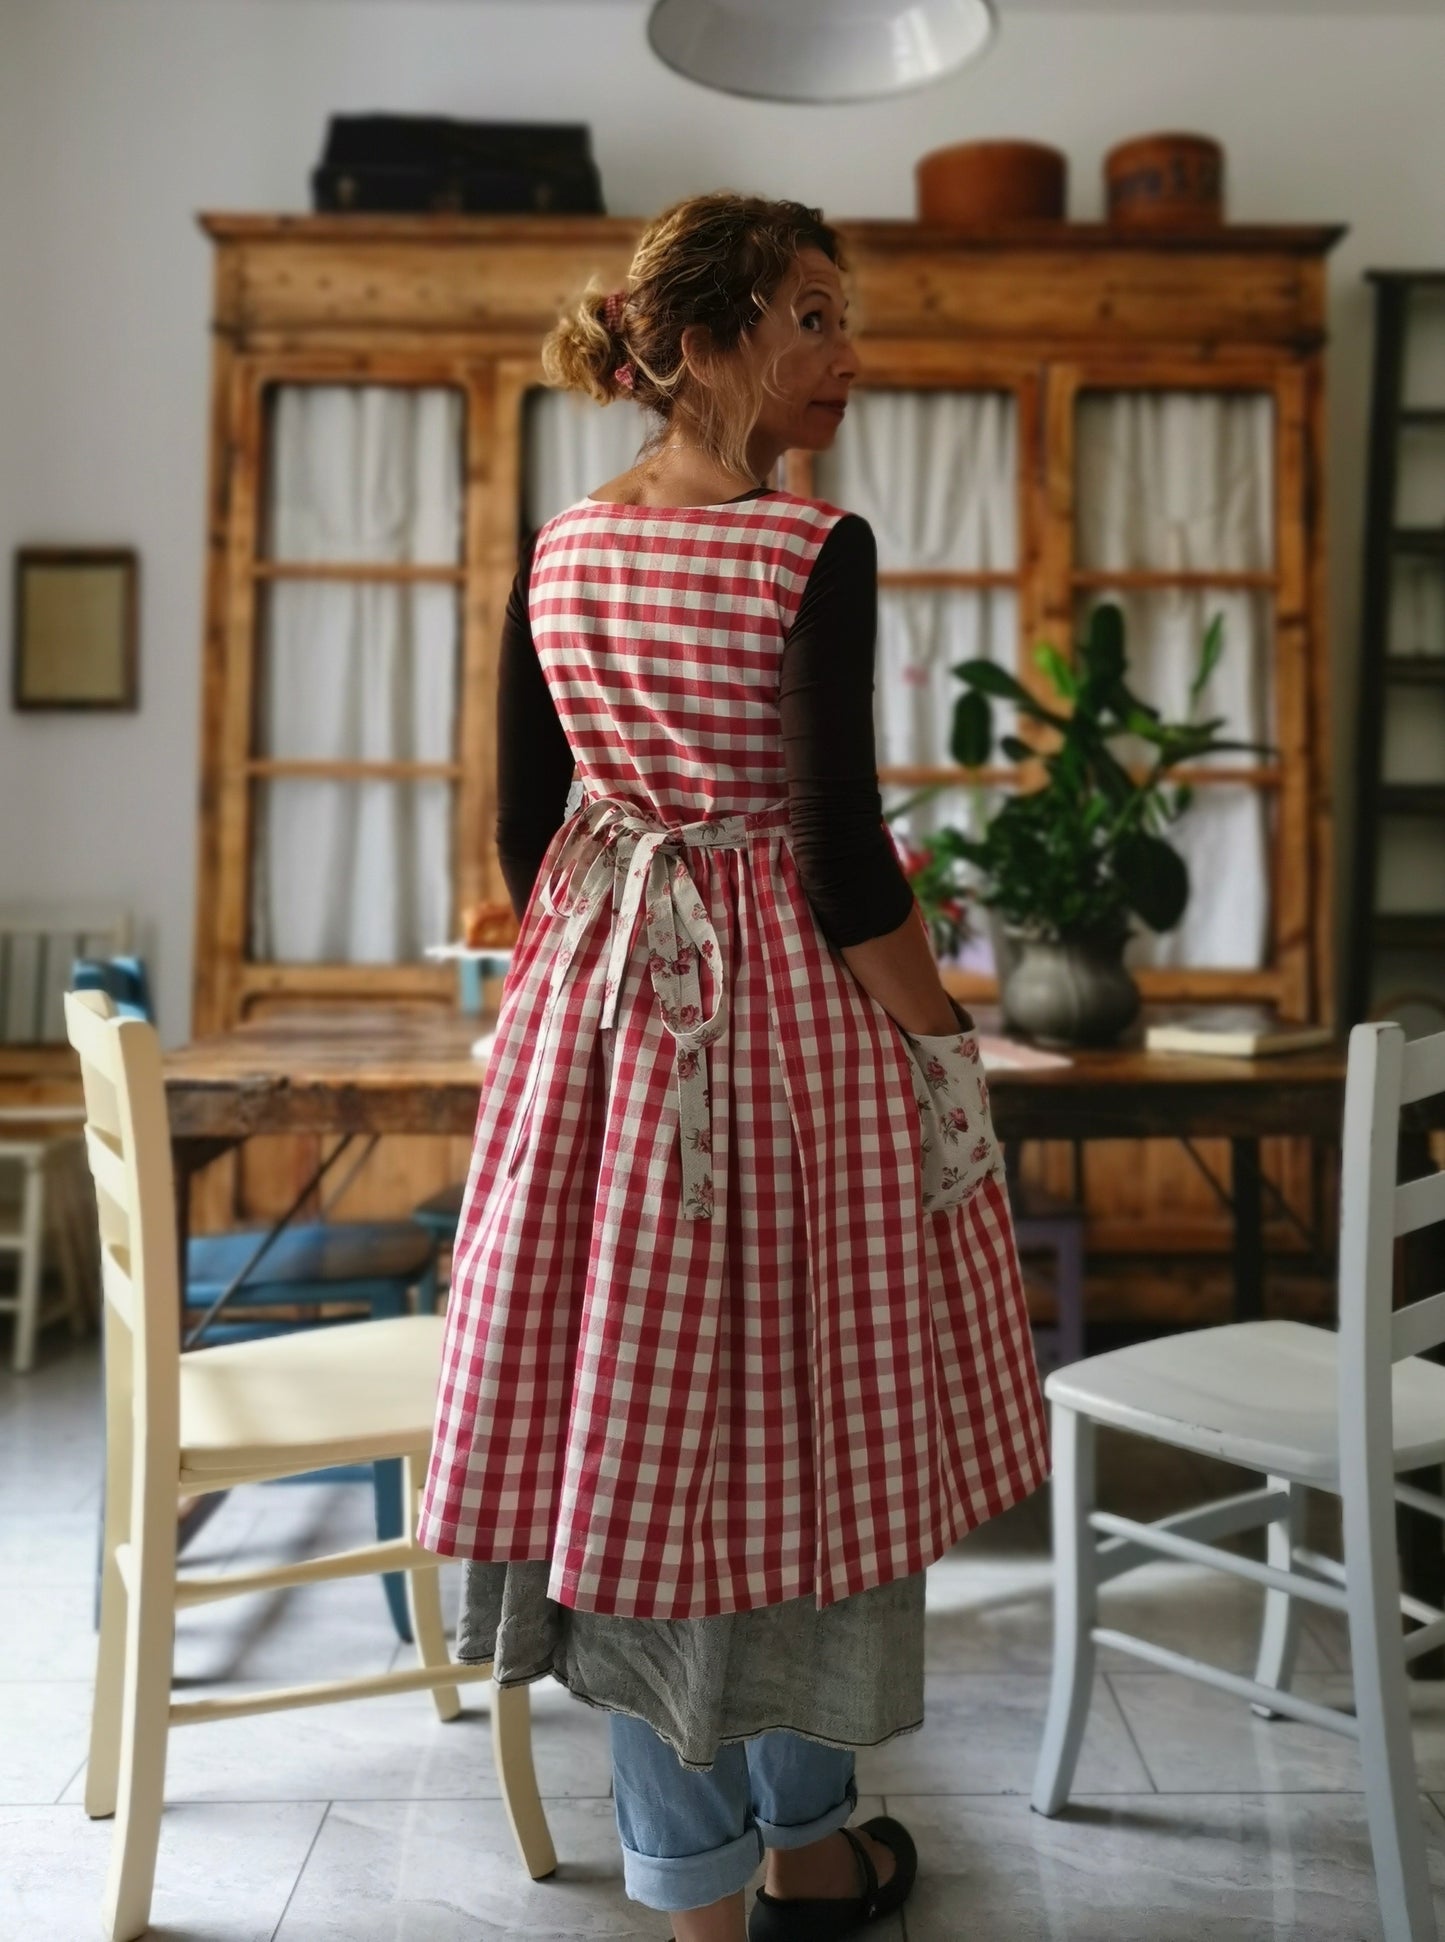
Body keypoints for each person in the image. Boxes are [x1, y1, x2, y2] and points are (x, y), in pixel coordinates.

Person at [418, 190, 1049, 1942]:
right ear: (698, 341)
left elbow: (521, 826)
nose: (843, 353)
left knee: (623, 1434)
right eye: (809, 314)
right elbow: (847, 867)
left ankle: (719, 1873)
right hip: (781, 1038)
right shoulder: (806, 548)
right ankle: (796, 1852)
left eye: (845, 317)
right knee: (798, 1423)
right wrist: (945, 1035)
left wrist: (605, 936)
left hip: (594, 1027)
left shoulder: (557, 550)